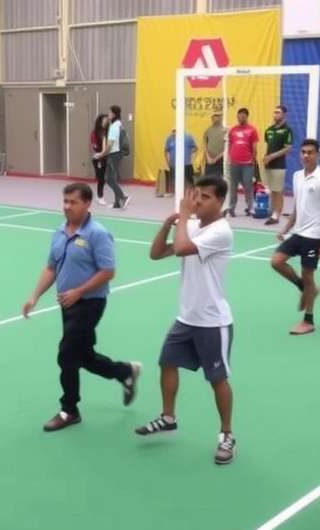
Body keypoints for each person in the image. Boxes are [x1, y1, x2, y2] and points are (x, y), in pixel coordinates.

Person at [135, 176, 237, 465]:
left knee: (217, 380)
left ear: (219, 201)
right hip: (187, 317)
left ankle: (227, 435)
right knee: (167, 362)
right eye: (197, 195)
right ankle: (168, 417)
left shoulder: (221, 232)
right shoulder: (191, 226)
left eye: (205, 197)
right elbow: (156, 254)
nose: (198, 201)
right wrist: (169, 224)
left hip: (213, 321)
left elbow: (180, 249)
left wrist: (181, 216)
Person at [22, 183, 140, 432]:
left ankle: (69, 410)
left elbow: (108, 271)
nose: (67, 206)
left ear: (87, 204)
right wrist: (34, 296)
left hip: (90, 303)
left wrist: (79, 292)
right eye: (65, 201)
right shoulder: (59, 232)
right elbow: (51, 268)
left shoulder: (98, 233)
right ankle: (125, 372)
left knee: (66, 354)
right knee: (83, 357)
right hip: (67, 303)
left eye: (73, 202)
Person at [271, 139, 320, 336]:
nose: (306, 156)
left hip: (314, 236)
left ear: (318, 155)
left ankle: (308, 321)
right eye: (303, 152)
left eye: (310, 152)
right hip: (298, 232)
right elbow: (297, 208)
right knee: (276, 261)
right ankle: (307, 290)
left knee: (308, 275)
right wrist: (286, 228)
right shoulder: (298, 176)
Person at [262, 105, 294, 225]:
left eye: (278, 112)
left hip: (279, 165)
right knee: (271, 190)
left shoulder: (287, 130)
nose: (275, 114)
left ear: (284, 114)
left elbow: (288, 148)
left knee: (278, 191)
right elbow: (269, 146)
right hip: (269, 165)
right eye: (274, 112)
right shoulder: (269, 130)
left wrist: (272, 156)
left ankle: (276, 215)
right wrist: (266, 157)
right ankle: (272, 211)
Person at [94, 105, 130, 210]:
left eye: (109, 112)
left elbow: (109, 146)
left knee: (108, 179)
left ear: (113, 114)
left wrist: (100, 155)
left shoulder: (114, 127)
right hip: (116, 154)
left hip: (114, 154)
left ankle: (123, 197)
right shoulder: (118, 124)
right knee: (112, 178)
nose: (108, 114)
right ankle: (117, 203)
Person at [226, 108, 258, 217]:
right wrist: (230, 158)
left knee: (248, 186)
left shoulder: (252, 130)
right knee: (233, 187)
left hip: (247, 164)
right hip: (234, 163)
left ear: (247, 116)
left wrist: (252, 160)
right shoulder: (233, 130)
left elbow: (254, 147)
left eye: (243, 116)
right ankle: (231, 208)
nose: (241, 118)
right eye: (239, 116)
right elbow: (230, 144)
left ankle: (251, 207)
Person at [164, 128, 197, 200]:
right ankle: (172, 192)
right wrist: (168, 161)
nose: (174, 133)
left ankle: (192, 193)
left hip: (186, 163)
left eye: (176, 131)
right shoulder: (170, 139)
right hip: (173, 163)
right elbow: (166, 151)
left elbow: (195, 148)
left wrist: (192, 159)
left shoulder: (188, 137)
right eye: (173, 131)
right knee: (173, 177)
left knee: (189, 179)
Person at [90, 114, 108, 206]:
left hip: (103, 157)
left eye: (107, 120)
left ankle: (99, 196)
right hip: (98, 159)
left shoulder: (106, 132)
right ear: (100, 121)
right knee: (101, 179)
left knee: (103, 179)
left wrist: (103, 153)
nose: (106, 121)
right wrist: (99, 154)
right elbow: (95, 146)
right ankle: (100, 197)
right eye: (105, 120)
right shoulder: (95, 133)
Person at [203, 112, 226, 177]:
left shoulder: (225, 130)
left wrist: (216, 158)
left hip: (221, 160)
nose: (215, 117)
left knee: (219, 181)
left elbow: (227, 147)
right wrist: (208, 157)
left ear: (221, 117)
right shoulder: (208, 130)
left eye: (217, 115)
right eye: (213, 116)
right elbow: (204, 144)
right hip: (209, 160)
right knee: (209, 181)